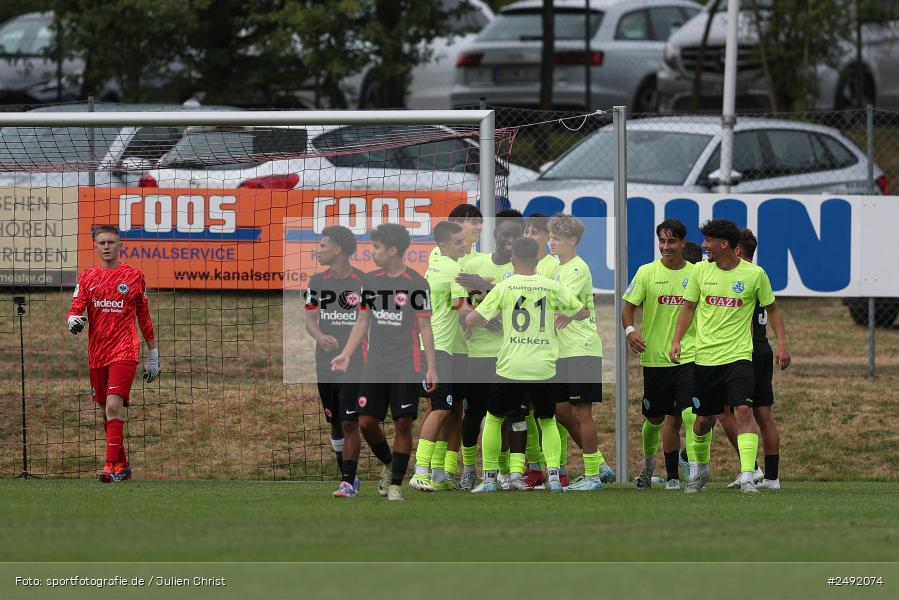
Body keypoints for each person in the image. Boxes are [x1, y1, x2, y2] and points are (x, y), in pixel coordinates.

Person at [669, 219, 791, 494]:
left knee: (744, 411)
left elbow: (773, 309)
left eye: (708, 240)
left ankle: (748, 475)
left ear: (724, 244)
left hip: (739, 356)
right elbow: (688, 309)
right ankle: (699, 469)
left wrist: (783, 344)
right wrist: (676, 340)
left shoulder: (754, 274)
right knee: (703, 421)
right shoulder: (700, 271)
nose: (703, 246)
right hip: (706, 359)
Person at [465, 237, 590, 493]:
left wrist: (497, 314)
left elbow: (472, 318)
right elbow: (582, 312)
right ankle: (554, 476)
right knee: (547, 419)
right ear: (537, 260)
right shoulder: (551, 286)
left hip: (511, 365)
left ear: (513, 260)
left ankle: (489, 479)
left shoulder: (504, 287)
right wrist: (561, 314)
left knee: (494, 419)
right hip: (544, 366)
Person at [331, 223, 438, 501]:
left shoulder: (416, 283)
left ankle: (395, 486)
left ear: (392, 250)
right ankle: (389, 463)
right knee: (365, 422)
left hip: (407, 364)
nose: (372, 252)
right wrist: (345, 353)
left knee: (403, 423)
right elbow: (362, 321)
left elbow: (425, 328)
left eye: (376, 247)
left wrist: (431, 367)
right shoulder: (372, 281)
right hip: (375, 365)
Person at [67, 224, 160, 483]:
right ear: (95, 246)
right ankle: (124, 467)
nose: (107, 247)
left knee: (113, 405)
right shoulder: (87, 278)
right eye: (102, 243)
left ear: (121, 245)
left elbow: (144, 317)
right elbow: (75, 309)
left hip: (125, 350)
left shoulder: (133, 276)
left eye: (111, 242)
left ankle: (109, 467)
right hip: (97, 353)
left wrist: (154, 356)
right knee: (104, 412)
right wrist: (73, 320)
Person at [621, 219, 696, 490]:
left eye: (671, 241)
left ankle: (685, 475)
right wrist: (631, 332)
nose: (666, 247)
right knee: (655, 419)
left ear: (682, 243)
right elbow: (628, 308)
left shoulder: (696, 273)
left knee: (689, 415)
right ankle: (649, 464)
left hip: (689, 355)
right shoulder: (646, 272)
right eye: (662, 241)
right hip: (655, 358)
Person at [454, 209, 524, 490]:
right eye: (505, 234)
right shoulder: (472, 262)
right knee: (473, 414)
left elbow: (519, 302)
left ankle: (507, 473)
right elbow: (458, 301)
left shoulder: (526, 267)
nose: (510, 239)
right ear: (495, 235)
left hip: (511, 354)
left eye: (516, 235)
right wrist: (479, 313)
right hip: (478, 353)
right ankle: (469, 469)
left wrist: (484, 290)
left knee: (510, 414)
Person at [549, 214, 615, 491]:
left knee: (581, 412)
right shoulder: (555, 267)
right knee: (561, 411)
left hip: (581, 348)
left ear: (572, 241)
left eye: (557, 238)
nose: (551, 243)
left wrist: (565, 311)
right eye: (550, 237)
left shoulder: (577, 269)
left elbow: (561, 305)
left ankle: (592, 477)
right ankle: (598, 465)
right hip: (561, 350)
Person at [718, 228, 783, 490]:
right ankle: (771, 477)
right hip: (762, 348)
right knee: (763, 414)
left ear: (737, 250)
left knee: (726, 411)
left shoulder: (745, 276)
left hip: (743, 351)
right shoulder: (759, 275)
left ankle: (752, 468)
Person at [303, 225, 365, 497]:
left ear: (337, 248)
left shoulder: (363, 281)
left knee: (351, 421)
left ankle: (348, 482)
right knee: (335, 421)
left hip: (355, 362)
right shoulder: (317, 282)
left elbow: (369, 321)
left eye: (323, 245)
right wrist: (320, 336)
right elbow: (309, 319)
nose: (319, 250)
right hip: (324, 362)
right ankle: (348, 477)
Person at [410, 221, 470, 492]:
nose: (464, 245)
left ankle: (440, 473)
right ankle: (420, 471)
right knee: (441, 409)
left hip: (449, 349)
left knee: (454, 410)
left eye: (464, 240)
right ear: (444, 245)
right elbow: (463, 310)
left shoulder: (434, 265)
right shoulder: (452, 268)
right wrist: (496, 316)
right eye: (458, 242)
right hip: (439, 350)